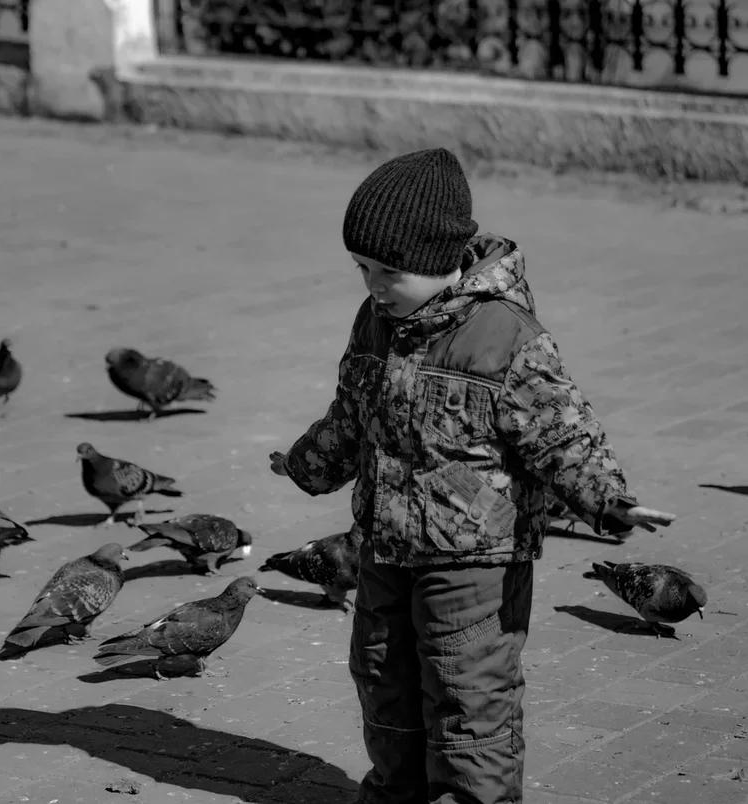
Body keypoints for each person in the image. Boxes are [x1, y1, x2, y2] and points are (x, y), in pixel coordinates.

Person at [267, 147, 675, 804]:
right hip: (381, 546)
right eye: (361, 268)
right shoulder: (375, 321)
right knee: (382, 678)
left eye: (388, 271)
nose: (372, 285)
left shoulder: (503, 334)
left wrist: (607, 501)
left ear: (438, 262)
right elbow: (352, 410)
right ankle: (395, 791)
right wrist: (310, 461)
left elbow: (560, 430)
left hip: (473, 562)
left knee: (469, 696)